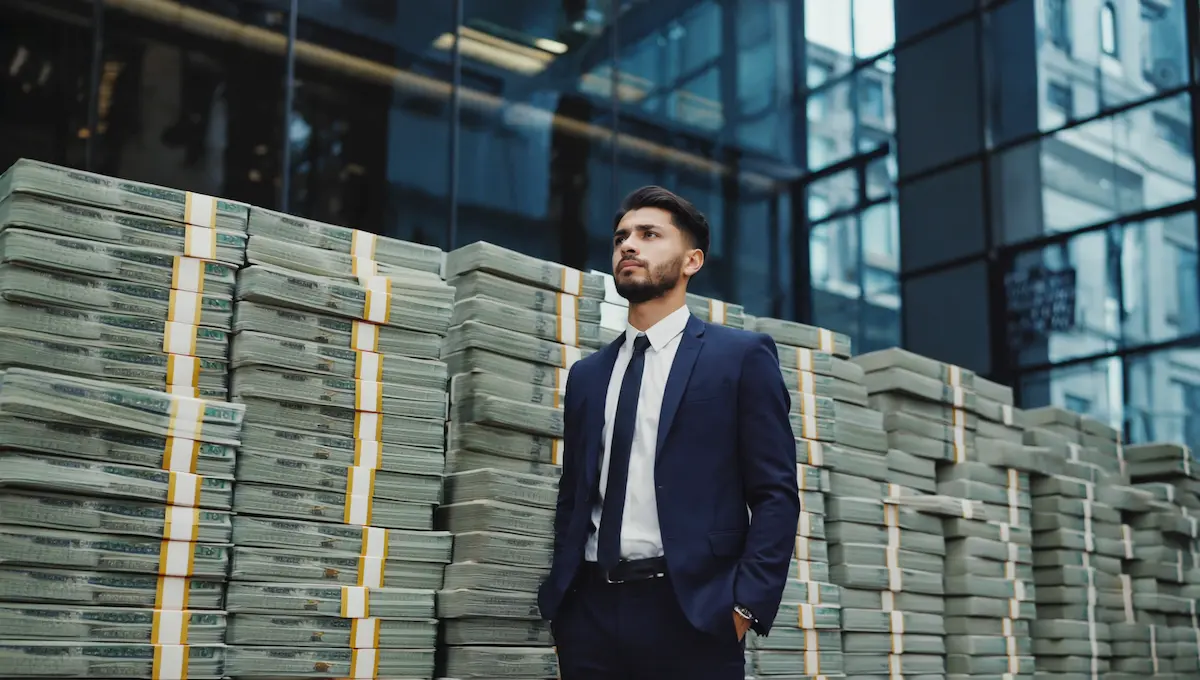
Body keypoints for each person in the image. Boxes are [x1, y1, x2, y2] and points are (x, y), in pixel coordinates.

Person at [537, 185, 800, 679]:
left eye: (649, 234)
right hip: (590, 615)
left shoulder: (740, 358)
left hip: (692, 613)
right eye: (621, 238)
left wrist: (744, 607)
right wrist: (564, 603)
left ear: (691, 261)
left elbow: (775, 494)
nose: (628, 246)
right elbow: (574, 496)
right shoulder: (588, 375)